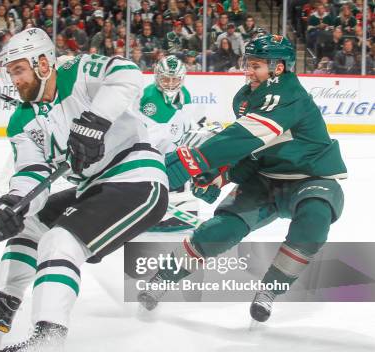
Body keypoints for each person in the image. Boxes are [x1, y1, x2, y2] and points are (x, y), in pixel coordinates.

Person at [0, 28, 168, 352]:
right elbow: (32, 174)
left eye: (19, 70)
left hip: (137, 177)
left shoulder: (76, 71)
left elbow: (127, 74)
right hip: (94, 187)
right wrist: (13, 204)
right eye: (10, 72)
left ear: (43, 63)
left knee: (59, 242)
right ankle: (2, 309)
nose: (14, 80)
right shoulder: (23, 121)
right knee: (31, 223)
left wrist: (95, 120)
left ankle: (46, 346)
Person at [137, 35, 347, 323]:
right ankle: (163, 277)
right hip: (264, 178)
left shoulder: (289, 93)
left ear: (279, 68)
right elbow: (251, 149)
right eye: (248, 63)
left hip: (312, 177)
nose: (248, 70)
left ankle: (270, 291)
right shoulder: (245, 97)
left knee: (314, 219)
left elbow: (243, 135)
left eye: (257, 65)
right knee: (220, 230)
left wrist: (192, 159)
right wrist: (219, 178)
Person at [138, 55, 203, 233]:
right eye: (166, 79)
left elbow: (184, 123)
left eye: (175, 79)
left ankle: (178, 206)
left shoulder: (185, 95)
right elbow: (146, 135)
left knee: (182, 169)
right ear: (158, 77)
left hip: (171, 148)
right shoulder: (150, 97)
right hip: (149, 151)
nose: (170, 83)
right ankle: (150, 207)